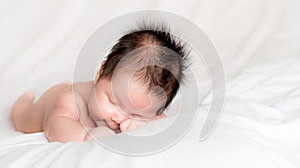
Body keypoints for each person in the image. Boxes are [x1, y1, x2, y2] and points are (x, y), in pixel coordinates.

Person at [10, 23, 188, 142]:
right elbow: (55, 127)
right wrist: (86, 136)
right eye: (113, 102)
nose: (119, 119)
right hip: (51, 100)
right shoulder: (71, 101)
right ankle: (22, 104)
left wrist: (146, 124)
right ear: (101, 72)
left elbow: (163, 121)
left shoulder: (144, 110)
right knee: (25, 121)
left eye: (137, 114)